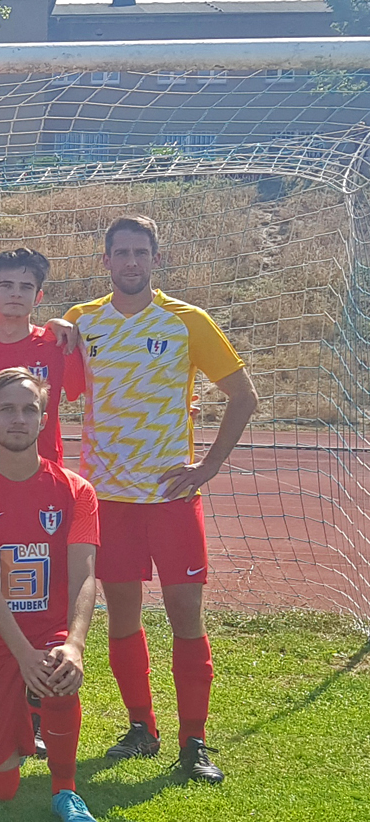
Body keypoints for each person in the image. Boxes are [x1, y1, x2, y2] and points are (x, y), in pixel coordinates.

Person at [48, 215, 258, 784]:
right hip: (107, 499)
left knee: (186, 615)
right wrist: (54, 328)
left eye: (141, 252)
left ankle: (194, 742)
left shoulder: (188, 321)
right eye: (121, 252)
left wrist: (208, 467)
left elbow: (243, 395)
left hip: (170, 498)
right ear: (105, 261)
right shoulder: (82, 320)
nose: (131, 262)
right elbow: (47, 374)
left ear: (156, 259)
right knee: (122, 617)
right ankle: (141, 726)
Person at [0, 368, 102, 822]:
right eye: (7, 409)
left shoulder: (76, 491)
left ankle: (65, 788)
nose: (18, 419)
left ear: (44, 419)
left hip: (49, 633)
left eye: (29, 409)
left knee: (59, 671)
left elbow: (84, 574)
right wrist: (21, 654)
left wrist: (74, 644)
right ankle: (21, 716)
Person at [0, 249, 84, 469]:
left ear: (38, 297)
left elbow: (86, 396)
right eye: (6, 285)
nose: (16, 294)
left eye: (26, 287)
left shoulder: (59, 346)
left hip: (45, 474)